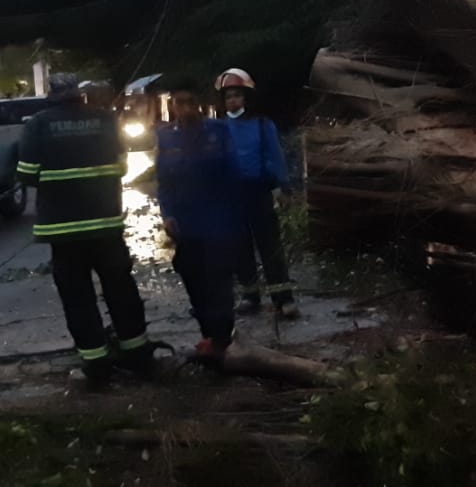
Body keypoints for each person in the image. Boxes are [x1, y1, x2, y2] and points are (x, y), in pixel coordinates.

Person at [17, 74, 153, 387]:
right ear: (79, 94)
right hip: (106, 224)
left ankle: (96, 364)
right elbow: (121, 166)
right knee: (121, 288)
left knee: (78, 298)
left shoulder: (37, 125)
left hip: (64, 231)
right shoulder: (106, 120)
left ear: (52, 95)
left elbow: (27, 174)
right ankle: (138, 356)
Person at [156, 79, 244, 359]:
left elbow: (233, 174)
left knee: (219, 281)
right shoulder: (167, 137)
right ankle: (208, 334)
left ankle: (222, 336)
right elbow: (164, 181)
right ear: (173, 107)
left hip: (218, 221)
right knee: (193, 279)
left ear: (198, 105)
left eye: (190, 103)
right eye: (179, 104)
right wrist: (167, 213)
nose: (185, 109)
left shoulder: (218, 132)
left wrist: (235, 216)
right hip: (186, 224)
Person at [214, 68, 299, 319]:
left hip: (259, 194)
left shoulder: (263, 126)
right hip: (232, 198)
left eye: (237, 95)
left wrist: (285, 188)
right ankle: (250, 297)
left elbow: (276, 156)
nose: (233, 101)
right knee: (240, 249)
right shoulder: (218, 129)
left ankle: (283, 299)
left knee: (270, 247)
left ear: (246, 97)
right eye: (228, 96)